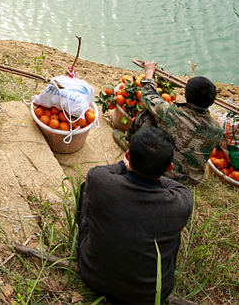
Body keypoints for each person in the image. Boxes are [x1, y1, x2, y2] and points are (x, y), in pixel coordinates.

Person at [76, 127, 193, 304]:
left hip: (92, 276)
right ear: (169, 168)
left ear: (129, 156)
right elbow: (170, 184)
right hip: (150, 295)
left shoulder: (101, 181)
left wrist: (124, 165)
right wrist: (154, 169)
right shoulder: (181, 201)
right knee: (173, 232)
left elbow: (103, 171)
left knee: (87, 190)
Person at [125, 61, 223, 185]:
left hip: (161, 172)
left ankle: (129, 142)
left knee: (148, 114)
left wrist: (149, 71)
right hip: (191, 181)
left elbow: (147, 95)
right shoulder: (217, 129)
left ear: (186, 95)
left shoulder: (170, 113)